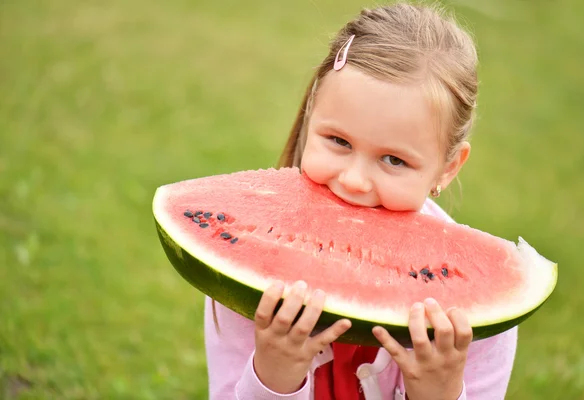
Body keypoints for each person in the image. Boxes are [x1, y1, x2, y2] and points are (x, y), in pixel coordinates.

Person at [204, 3, 517, 399]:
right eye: (338, 141)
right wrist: (272, 378)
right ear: (311, 114)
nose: (354, 181)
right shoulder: (248, 262)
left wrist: (440, 393)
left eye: (394, 160)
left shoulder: (473, 315)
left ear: (448, 168)